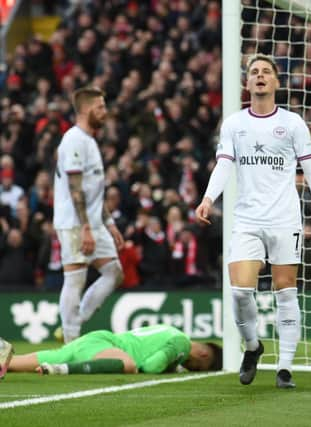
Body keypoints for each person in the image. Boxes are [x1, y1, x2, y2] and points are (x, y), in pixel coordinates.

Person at [195, 54, 311, 389]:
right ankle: (253, 346)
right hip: (246, 219)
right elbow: (224, 165)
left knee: (286, 292)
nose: (259, 76)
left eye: (266, 72)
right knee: (241, 291)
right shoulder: (234, 124)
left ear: (276, 82)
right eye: (254, 72)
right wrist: (207, 198)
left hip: (285, 219)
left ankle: (285, 368)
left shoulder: (292, 123)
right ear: (247, 83)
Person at [53, 86, 125, 343]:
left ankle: (75, 321)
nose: (104, 112)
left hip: (93, 222)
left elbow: (94, 190)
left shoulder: (90, 141)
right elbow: (75, 190)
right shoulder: (73, 140)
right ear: (85, 110)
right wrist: (84, 227)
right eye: (100, 107)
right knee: (76, 277)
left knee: (114, 272)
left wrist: (109, 223)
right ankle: (71, 339)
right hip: (74, 223)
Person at [3, 324, 222, 375]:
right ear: (203, 354)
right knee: (129, 364)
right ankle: (60, 369)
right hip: (104, 347)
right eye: (197, 368)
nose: (191, 369)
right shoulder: (181, 343)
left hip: (96, 342)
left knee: (10, 363)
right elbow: (151, 366)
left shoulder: (173, 331)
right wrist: (170, 366)